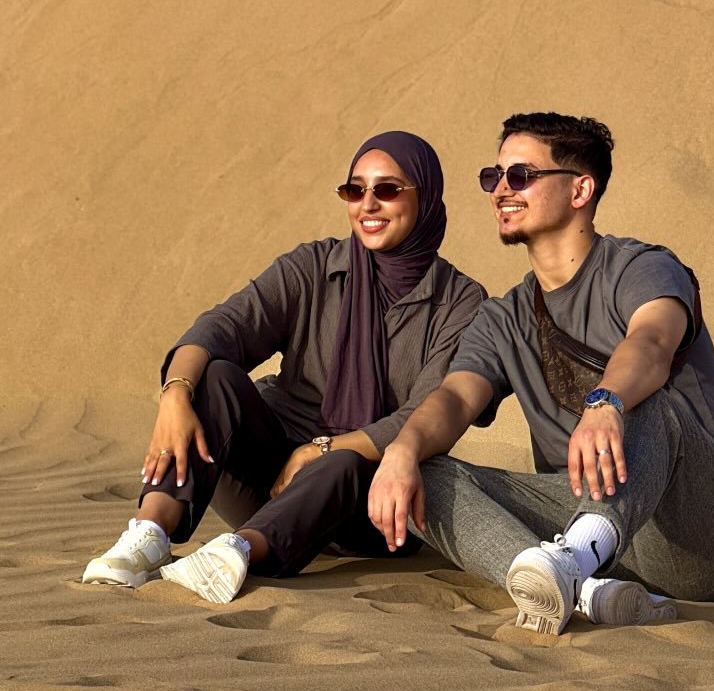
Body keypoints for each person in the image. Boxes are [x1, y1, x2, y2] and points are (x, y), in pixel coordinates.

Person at [368, 112, 714, 634]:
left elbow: (651, 343)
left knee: (648, 401)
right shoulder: (503, 317)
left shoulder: (641, 268)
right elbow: (454, 397)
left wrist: (607, 403)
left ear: (580, 189)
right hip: (596, 536)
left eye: (520, 176)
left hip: (705, 538)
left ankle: (573, 563)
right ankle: (580, 591)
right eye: (494, 177)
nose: (501, 191)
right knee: (423, 475)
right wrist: (402, 451)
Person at [83, 131, 485, 603]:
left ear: (426, 196)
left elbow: (426, 415)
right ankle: (149, 535)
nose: (368, 204)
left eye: (388, 189)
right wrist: (175, 393)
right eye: (354, 190)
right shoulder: (312, 266)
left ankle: (236, 554)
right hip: (272, 482)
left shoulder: (460, 302)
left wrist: (321, 449)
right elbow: (222, 328)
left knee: (343, 464)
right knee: (213, 375)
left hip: (373, 507)